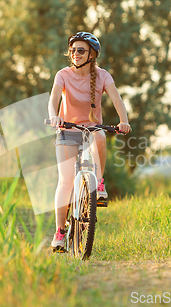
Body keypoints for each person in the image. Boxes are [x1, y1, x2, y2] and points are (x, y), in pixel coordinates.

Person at [48, 32, 131, 251]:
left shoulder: (103, 76)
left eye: (81, 50)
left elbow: (116, 99)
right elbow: (53, 99)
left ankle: (99, 183)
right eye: (73, 50)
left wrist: (124, 121)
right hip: (67, 130)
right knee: (66, 181)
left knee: (100, 135)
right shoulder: (63, 75)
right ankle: (59, 232)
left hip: (92, 129)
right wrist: (55, 116)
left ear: (92, 54)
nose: (75, 54)